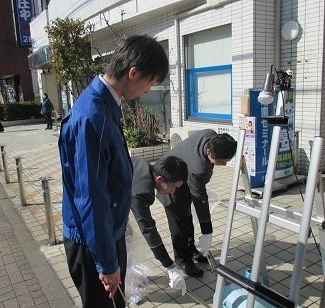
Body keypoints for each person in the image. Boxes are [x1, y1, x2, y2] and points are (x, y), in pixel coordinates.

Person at [58, 35, 169, 308]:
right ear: (133, 73)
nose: (147, 90)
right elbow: (91, 197)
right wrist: (107, 263)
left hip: (105, 234)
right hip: (91, 242)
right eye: (149, 82)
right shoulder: (91, 117)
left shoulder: (105, 105)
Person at [156, 130, 237, 277]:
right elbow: (200, 199)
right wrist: (207, 231)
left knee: (187, 218)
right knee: (179, 222)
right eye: (220, 162)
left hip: (183, 177)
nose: (223, 165)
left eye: (226, 161)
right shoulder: (197, 168)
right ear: (208, 152)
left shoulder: (212, 136)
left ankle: (191, 249)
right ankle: (182, 259)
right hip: (168, 181)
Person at [131, 156, 188, 296]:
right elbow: (148, 229)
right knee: (121, 244)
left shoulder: (145, 165)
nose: (174, 191)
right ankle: (127, 290)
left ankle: (128, 279)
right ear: (159, 179)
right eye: (173, 187)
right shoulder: (140, 192)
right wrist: (170, 266)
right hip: (98, 207)